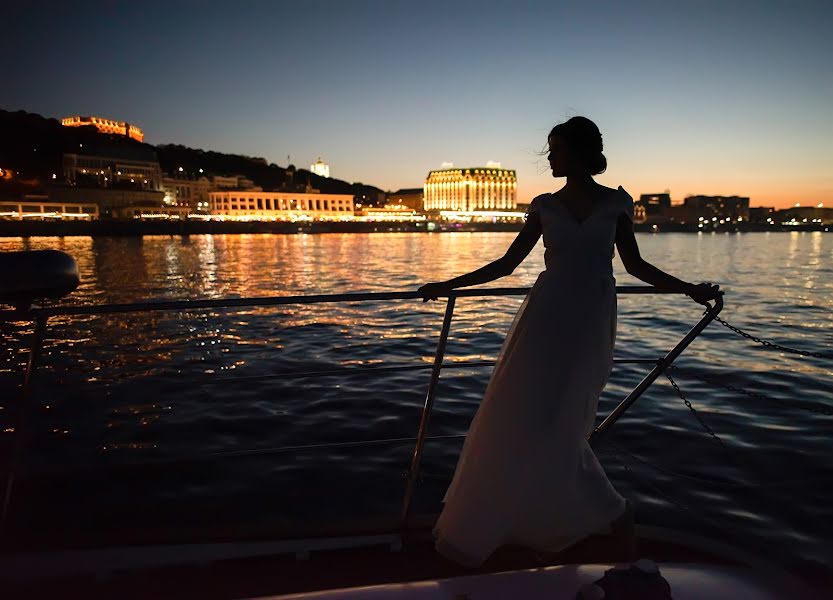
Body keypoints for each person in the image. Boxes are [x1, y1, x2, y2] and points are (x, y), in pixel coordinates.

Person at [417, 116, 720, 568]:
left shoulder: (617, 204)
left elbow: (634, 266)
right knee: (522, 411)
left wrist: (688, 289)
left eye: (555, 149)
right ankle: (548, 514)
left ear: (578, 153)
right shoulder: (544, 205)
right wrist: (449, 285)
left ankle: (576, 511)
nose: (549, 158)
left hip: (590, 322)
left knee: (568, 417)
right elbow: (506, 264)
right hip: (545, 318)